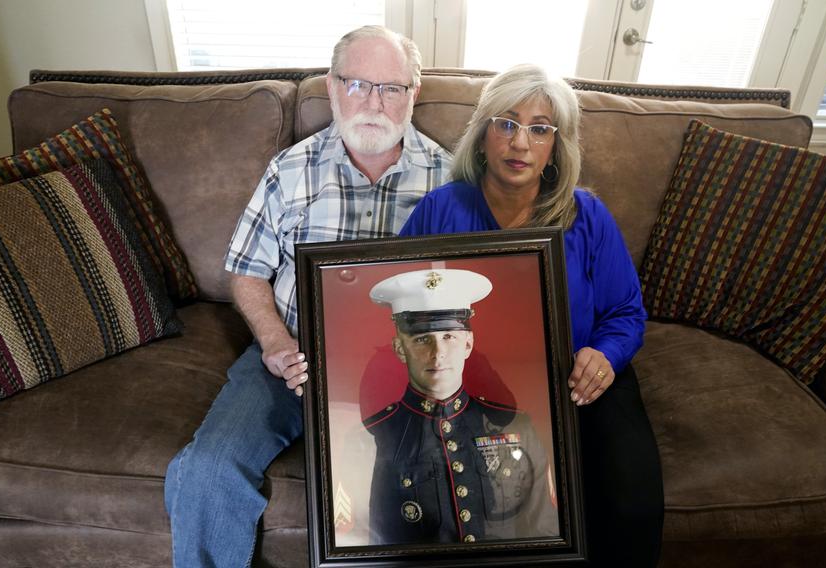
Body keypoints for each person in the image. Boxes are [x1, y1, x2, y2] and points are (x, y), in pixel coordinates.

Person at [163, 25, 451, 567]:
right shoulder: (290, 170)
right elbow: (246, 272)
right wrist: (273, 342)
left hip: (400, 370)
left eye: (391, 88)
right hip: (292, 356)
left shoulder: (449, 178)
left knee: (402, 492)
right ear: (331, 85)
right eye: (358, 84)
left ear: (415, 93)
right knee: (206, 469)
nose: (373, 102)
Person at [398, 64, 664, 566]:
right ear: (482, 139)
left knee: (630, 501)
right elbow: (404, 302)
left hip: (579, 381)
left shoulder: (587, 216)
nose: (521, 142)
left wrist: (605, 356)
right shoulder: (440, 209)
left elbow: (626, 312)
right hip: (475, 389)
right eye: (507, 123)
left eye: (540, 129)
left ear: (554, 150)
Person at [363, 268, 558, 545]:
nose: (438, 352)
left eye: (449, 337)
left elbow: (544, 531)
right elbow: (369, 545)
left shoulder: (517, 426)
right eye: (421, 339)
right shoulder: (372, 439)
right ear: (399, 349)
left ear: (468, 343)